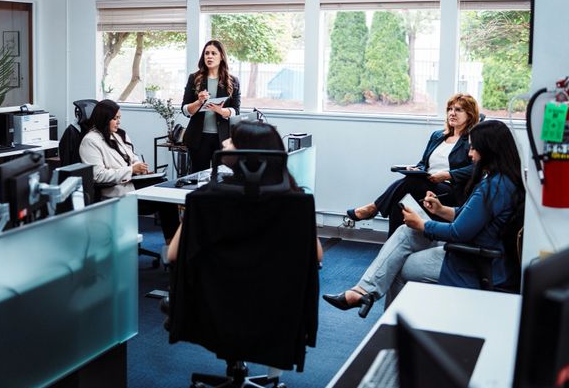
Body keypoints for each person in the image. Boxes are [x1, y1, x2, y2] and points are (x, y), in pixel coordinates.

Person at [323, 120, 524, 317]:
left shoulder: (492, 188)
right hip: (476, 250)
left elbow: (457, 232)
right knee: (405, 231)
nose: (470, 154)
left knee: (397, 264)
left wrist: (423, 224)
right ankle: (362, 293)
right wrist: (440, 209)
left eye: (473, 149)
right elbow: (467, 215)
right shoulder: (504, 182)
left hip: (471, 260)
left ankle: (392, 325)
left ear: (488, 150)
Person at [167, 121, 323, 263]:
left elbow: (173, 254)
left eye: (232, 140)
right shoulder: (296, 199)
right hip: (277, 291)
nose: (224, 142)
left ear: (249, 152)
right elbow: (317, 255)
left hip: (217, 290)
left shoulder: (204, 197)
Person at [346, 93, 481, 236]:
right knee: (399, 199)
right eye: (450, 109)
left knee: (410, 183)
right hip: (425, 183)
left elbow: (478, 167)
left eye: (458, 110)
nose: (452, 113)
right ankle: (392, 243)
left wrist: (448, 175)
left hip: (450, 189)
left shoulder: (472, 140)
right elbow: (424, 163)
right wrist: (417, 169)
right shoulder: (438, 136)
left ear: (470, 115)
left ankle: (373, 208)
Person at [79, 99, 180, 241]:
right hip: (116, 191)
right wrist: (131, 170)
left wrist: (140, 168)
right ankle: (173, 248)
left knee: (164, 187)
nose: (118, 122)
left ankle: (174, 246)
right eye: (115, 119)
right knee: (165, 199)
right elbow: (98, 176)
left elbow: (133, 157)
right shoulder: (90, 141)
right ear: (104, 119)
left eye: (119, 118)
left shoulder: (118, 135)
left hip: (131, 183)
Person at [181, 40, 241, 173]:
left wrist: (221, 110)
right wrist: (199, 102)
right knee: (198, 177)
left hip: (223, 139)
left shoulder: (232, 81)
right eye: (206, 53)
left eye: (214, 53)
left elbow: (236, 111)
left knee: (221, 177)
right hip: (198, 138)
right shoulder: (194, 78)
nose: (209, 56)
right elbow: (185, 110)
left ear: (222, 57)